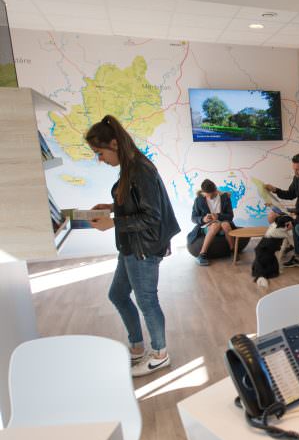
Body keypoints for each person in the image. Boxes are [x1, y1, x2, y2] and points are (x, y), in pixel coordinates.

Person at [86, 115, 180, 378]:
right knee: (117, 295)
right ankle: (137, 347)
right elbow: (137, 204)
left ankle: (160, 354)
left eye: (99, 152)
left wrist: (115, 221)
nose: (100, 159)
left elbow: (152, 217)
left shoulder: (140, 169)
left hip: (143, 248)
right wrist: (112, 207)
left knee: (146, 301)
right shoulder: (131, 167)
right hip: (131, 246)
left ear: (114, 144)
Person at [187, 178, 236, 266]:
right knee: (215, 225)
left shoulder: (225, 198)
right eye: (207, 195)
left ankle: (233, 251)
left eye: (212, 195)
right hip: (208, 226)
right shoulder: (199, 200)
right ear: (203, 193)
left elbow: (230, 216)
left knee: (225, 224)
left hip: (224, 223)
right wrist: (203, 219)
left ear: (215, 190)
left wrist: (218, 216)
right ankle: (202, 254)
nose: (210, 197)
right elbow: (193, 218)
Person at [265, 153, 299, 224]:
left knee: (273, 216)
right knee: (271, 215)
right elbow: (290, 194)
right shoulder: (297, 178)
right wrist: (275, 190)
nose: (295, 172)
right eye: (294, 169)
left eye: (298, 170)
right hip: (297, 210)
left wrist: (295, 212)